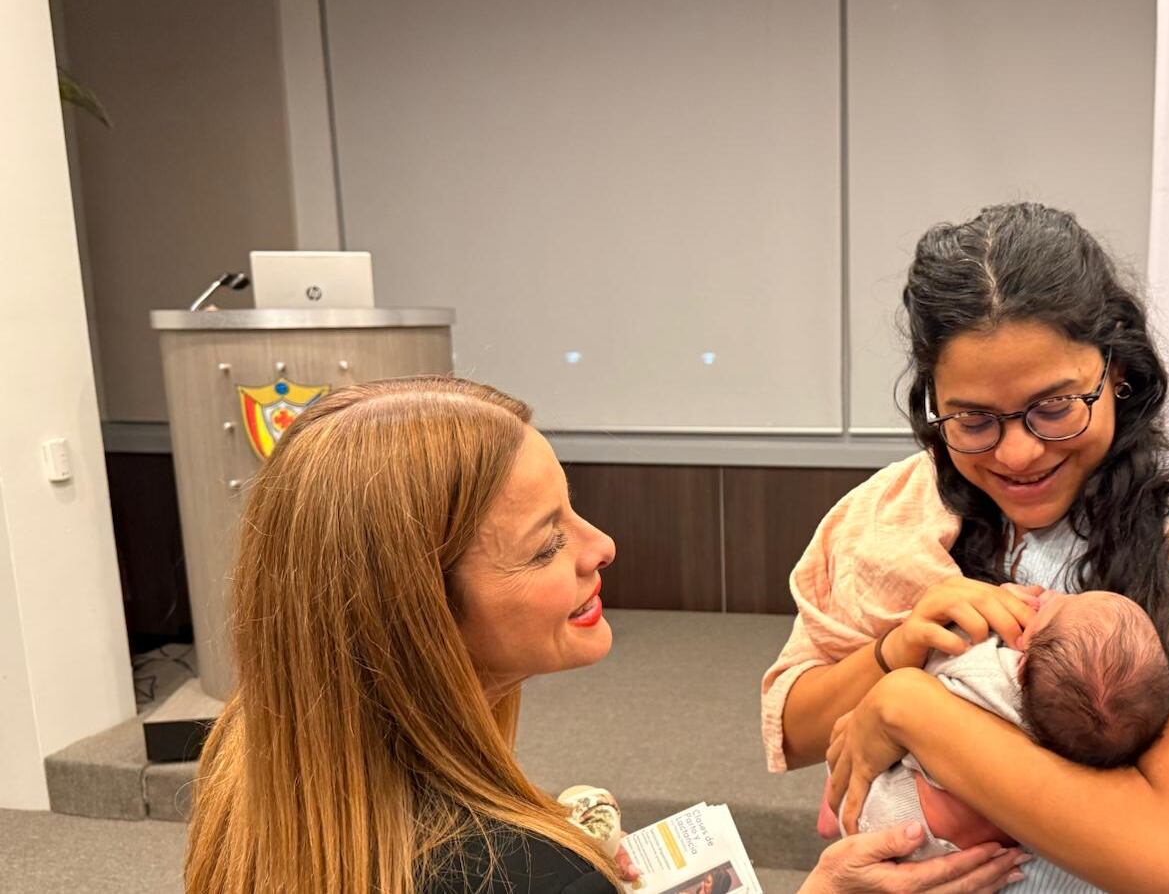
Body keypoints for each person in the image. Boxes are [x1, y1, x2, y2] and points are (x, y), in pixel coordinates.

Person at [183, 376, 1032, 894]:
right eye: (547, 542)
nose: (601, 547)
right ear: (419, 614)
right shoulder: (516, 873)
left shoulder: (255, 761)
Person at [762, 203, 1169, 893]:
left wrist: (912, 707)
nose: (1018, 452)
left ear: (1118, 371)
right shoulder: (899, 512)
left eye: (1054, 406)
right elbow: (797, 731)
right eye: (973, 419)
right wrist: (893, 652)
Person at [833, 590, 1169, 870]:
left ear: (1022, 661)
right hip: (970, 850)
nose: (1055, 595)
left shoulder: (994, 671)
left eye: (1058, 607)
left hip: (897, 812)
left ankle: (832, 812)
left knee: (848, 764)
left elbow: (940, 660)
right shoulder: (1079, 735)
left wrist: (978, 627)